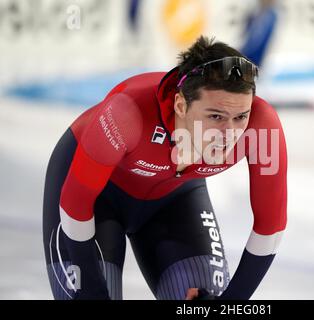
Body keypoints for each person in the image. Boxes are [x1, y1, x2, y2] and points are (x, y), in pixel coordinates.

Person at [42, 36, 287, 300]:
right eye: (215, 116)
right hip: (98, 199)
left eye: (240, 117)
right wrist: (90, 285)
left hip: (175, 201)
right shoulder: (127, 115)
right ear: (181, 105)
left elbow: (270, 226)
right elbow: (75, 204)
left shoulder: (262, 128)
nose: (230, 133)